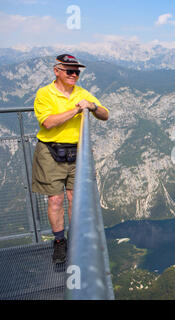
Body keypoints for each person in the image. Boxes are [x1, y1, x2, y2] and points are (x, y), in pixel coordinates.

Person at [32, 54, 109, 263]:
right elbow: (48, 122)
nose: (74, 75)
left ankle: (75, 239)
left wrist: (92, 106)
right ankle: (59, 242)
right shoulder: (44, 94)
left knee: (75, 199)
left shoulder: (82, 93)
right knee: (55, 200)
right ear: (57, 71)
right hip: (51, 152)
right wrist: (77, 109)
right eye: (70, 71)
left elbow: (105, 114)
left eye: (77, 71)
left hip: (78, 152)